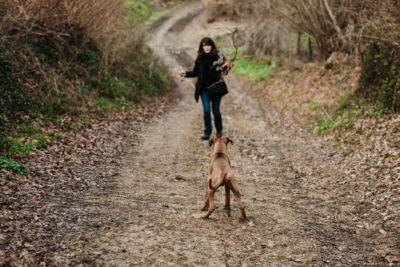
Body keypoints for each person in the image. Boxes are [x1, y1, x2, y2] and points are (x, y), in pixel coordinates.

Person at [179, 37, 233, 140]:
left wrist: (227, 66)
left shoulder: (218, 56)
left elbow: (224, 71)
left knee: (216, 111)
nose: (206, 47)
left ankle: (219, 130)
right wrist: (186, 73)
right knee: (207, 110)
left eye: (208, 45)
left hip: (216, 87)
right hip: (204, 89)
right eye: (204, 45)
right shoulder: (200, 58)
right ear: (201, 47)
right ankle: (207, 133)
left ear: (211, 46)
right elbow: (195, 72)